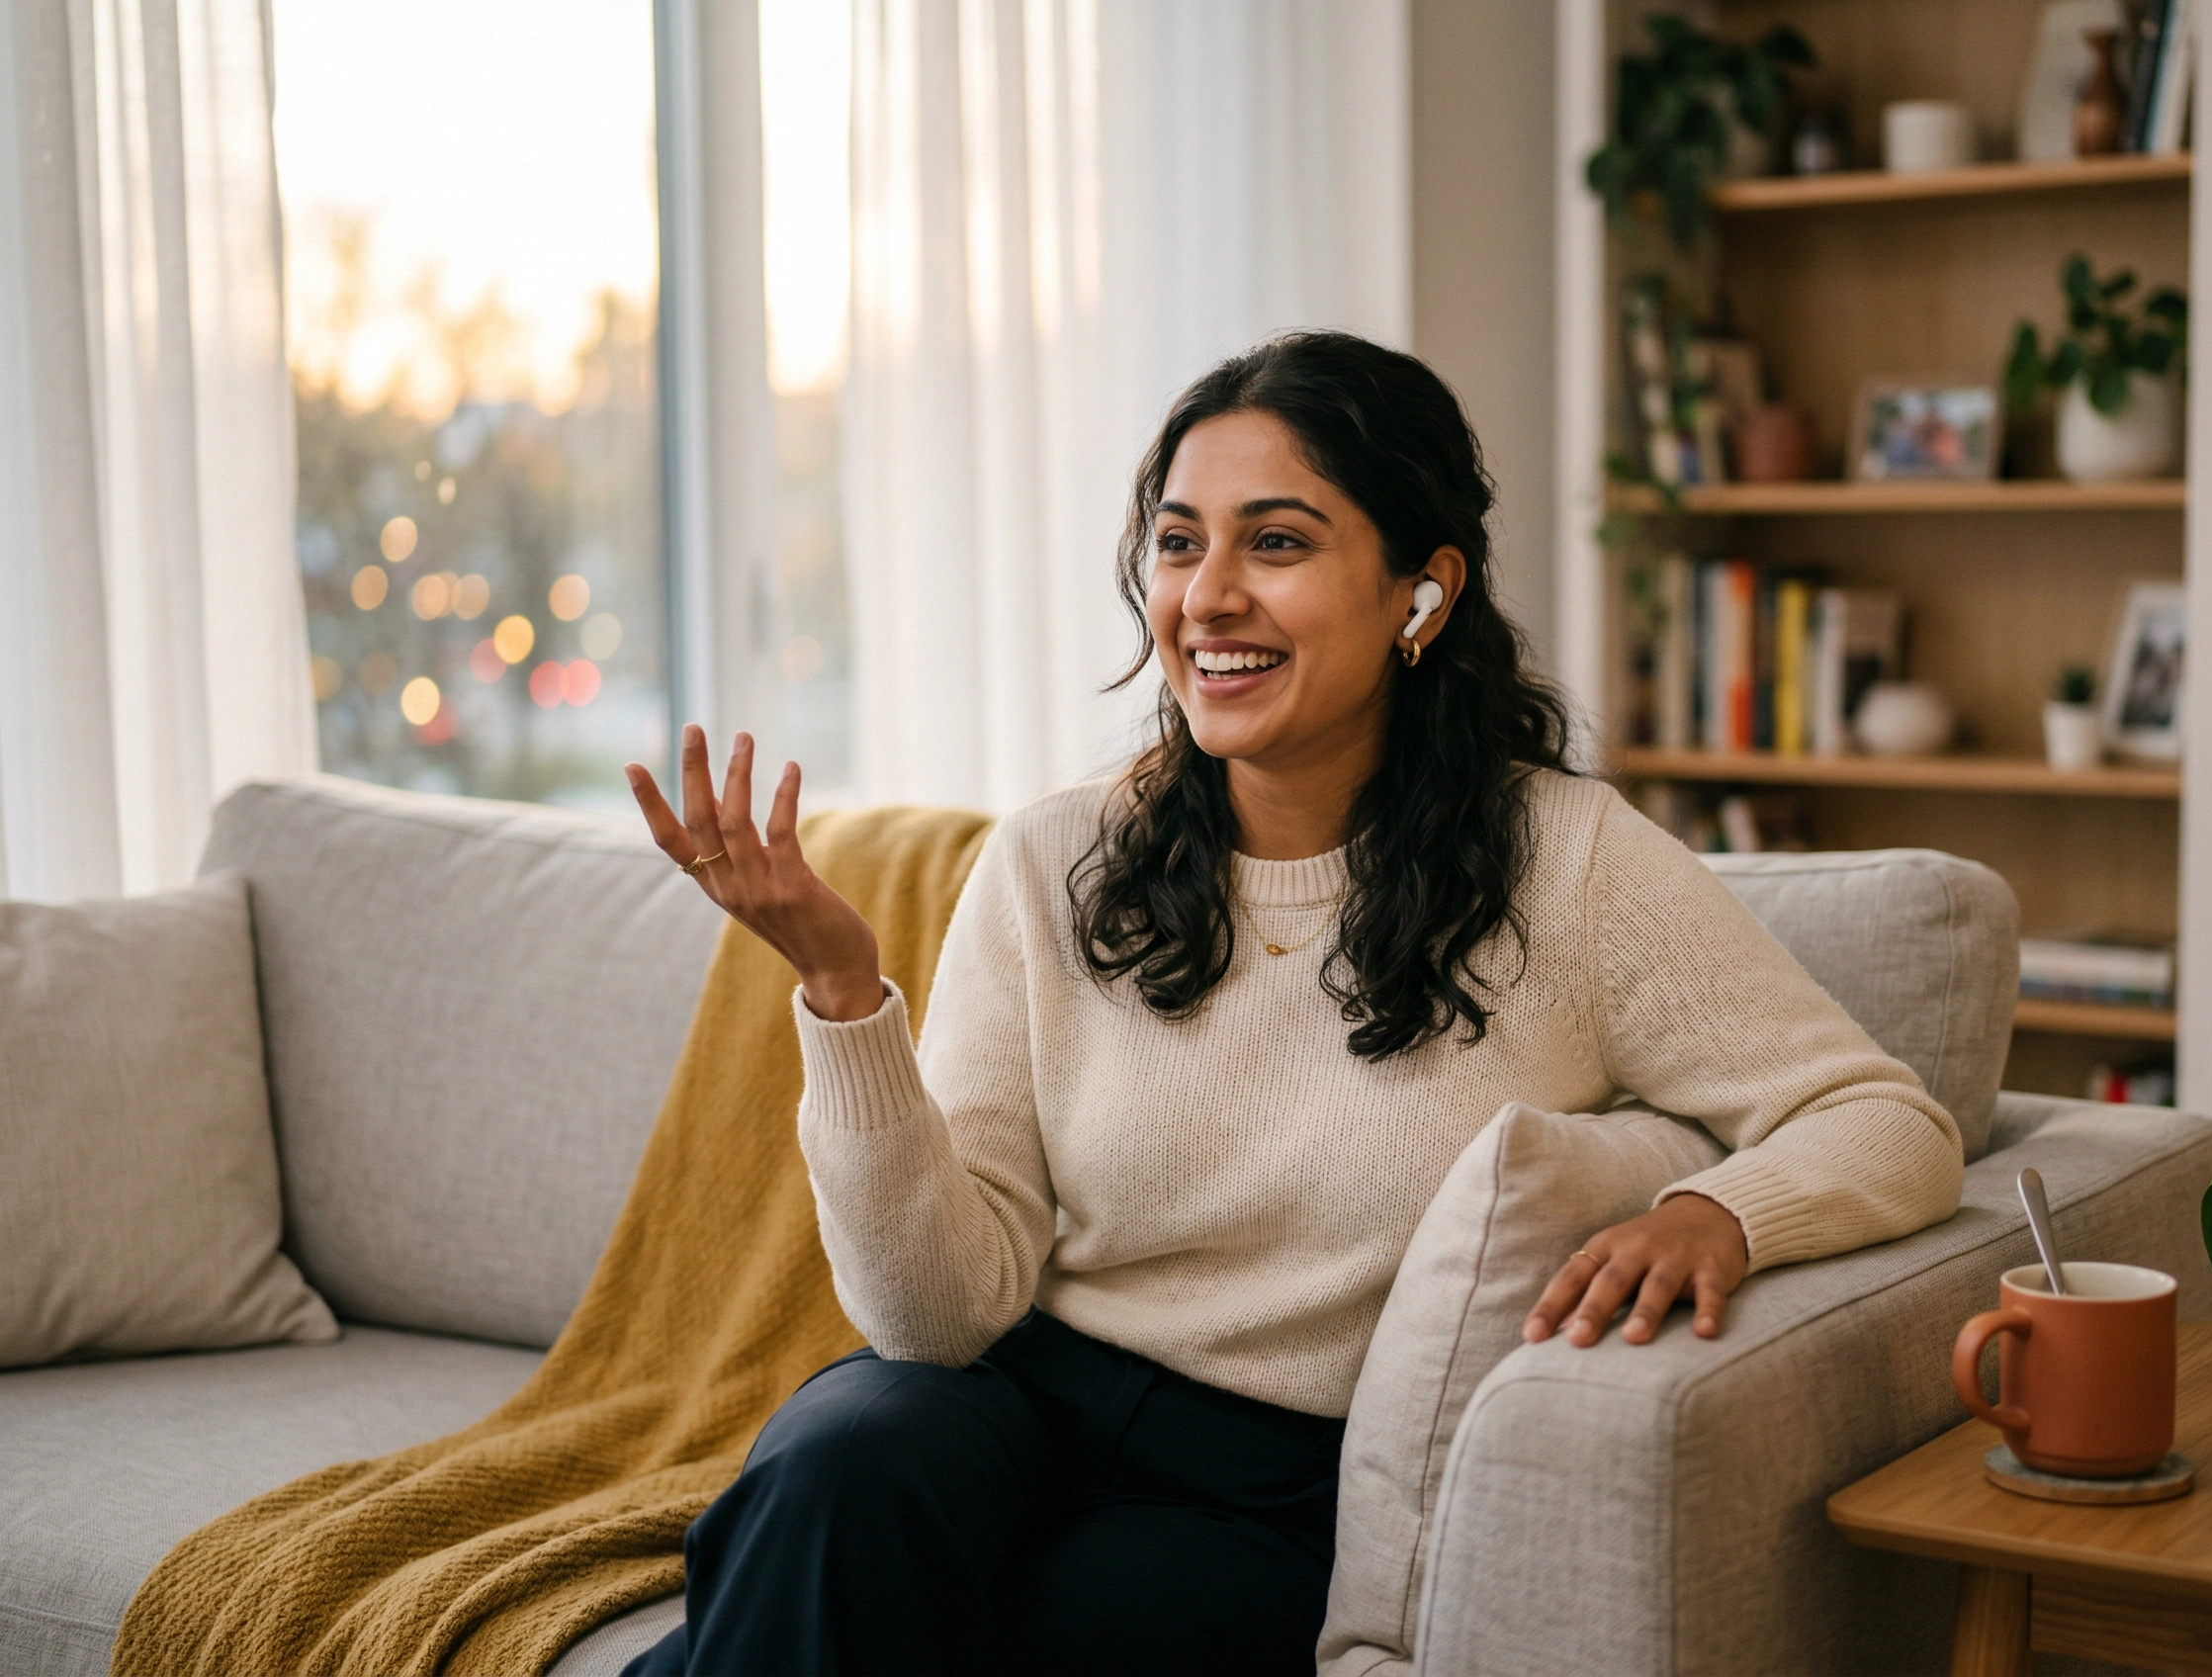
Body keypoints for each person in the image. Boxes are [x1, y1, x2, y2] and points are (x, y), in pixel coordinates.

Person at [619, 331, 1962, 1676]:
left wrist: (1718, 1212)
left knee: (1038, 1631)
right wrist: (845, 996)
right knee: (834, 1468)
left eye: (1276, 544)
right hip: (1013, 1397)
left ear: (1421, 594)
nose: (1207, 598)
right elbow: (933, 1322)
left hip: (1271, 1487)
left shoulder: (1574, 867)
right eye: (1178, 543)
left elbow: (1886, 1121)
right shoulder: (1049, 862)